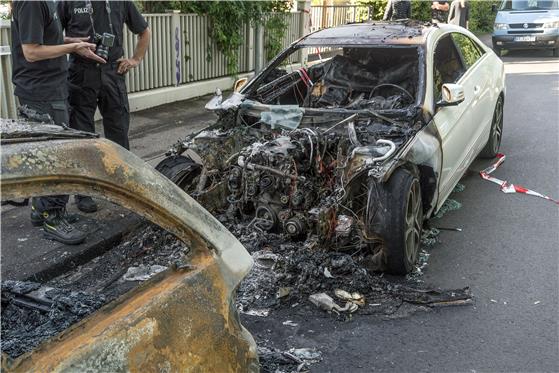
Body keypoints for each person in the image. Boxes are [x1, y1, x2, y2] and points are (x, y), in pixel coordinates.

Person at [11, 0, 105, 244]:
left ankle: (40, 211)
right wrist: (70, 48)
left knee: (48, 153)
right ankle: (52, 218)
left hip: (51, 88)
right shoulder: (32, 2)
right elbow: (31, 51)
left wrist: (74, 44)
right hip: (41, 92)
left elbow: (45, 39)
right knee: (56, 156)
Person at [58, 0, 150, 213]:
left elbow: (144, 31)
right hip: (81, 72)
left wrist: (136, 59)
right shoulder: (67, 2)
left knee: (118, 132)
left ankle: (122, 187)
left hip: (113, 71)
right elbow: (52, 36)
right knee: (82, 136)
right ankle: (84, 193)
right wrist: (74, 44)